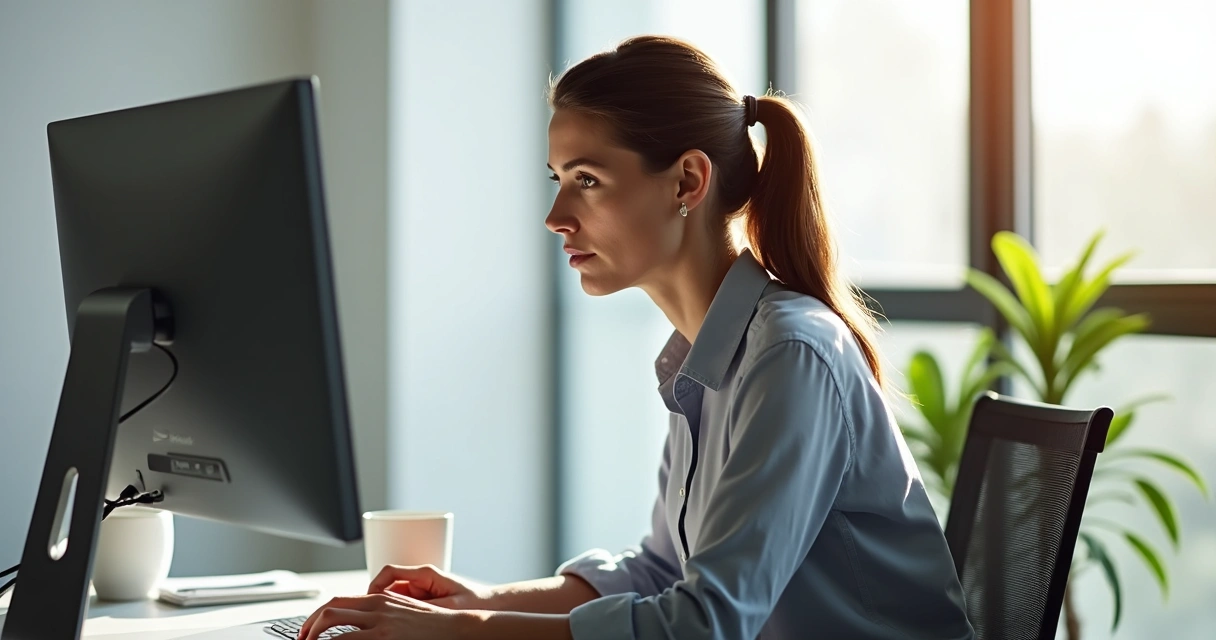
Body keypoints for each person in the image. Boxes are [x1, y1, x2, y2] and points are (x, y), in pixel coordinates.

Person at [299, 35, 974, 640]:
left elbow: (704, 624)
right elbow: (659, 572)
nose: (556, 216)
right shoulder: (702, 356)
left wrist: (467, 631)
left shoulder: (788, 356)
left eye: (587, 181)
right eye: (558, 180)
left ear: (687, 181)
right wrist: (475, 601)